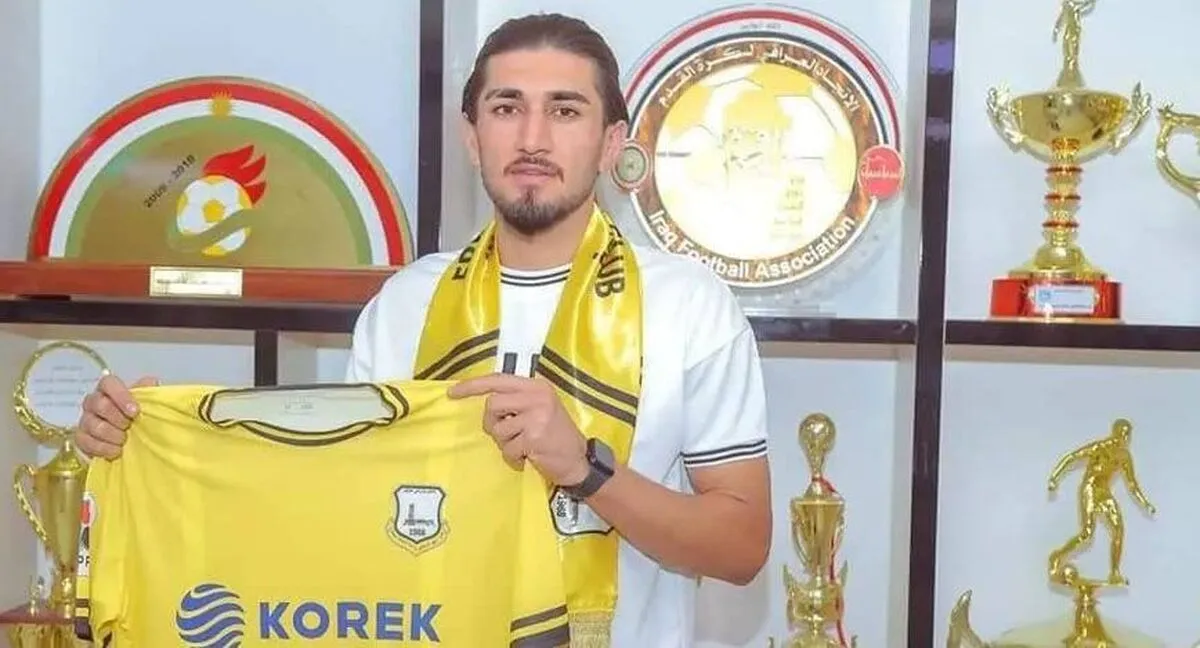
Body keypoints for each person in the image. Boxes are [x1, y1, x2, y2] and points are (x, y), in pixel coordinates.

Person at [74, 12, 772, 647]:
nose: (532, 138)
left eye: (565, 110)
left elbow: (741, 548)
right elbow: (334, 514)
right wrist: (160, 445)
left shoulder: (689, 305)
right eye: (506, 108)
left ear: (610, 141)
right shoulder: (405, 303)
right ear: (472, 136)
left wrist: (584, 470)